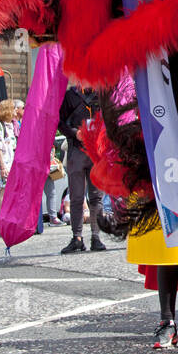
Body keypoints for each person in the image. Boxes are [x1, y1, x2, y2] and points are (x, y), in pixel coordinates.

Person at [58, 83, 106, 254]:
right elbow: (60, 121)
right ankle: (77, 237)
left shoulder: (101, 92)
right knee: (77, 197)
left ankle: (96, 237)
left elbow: (110, 117)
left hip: (97, 151)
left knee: (96, 197)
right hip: (77, 151)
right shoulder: (70, 95)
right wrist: (73, 133)